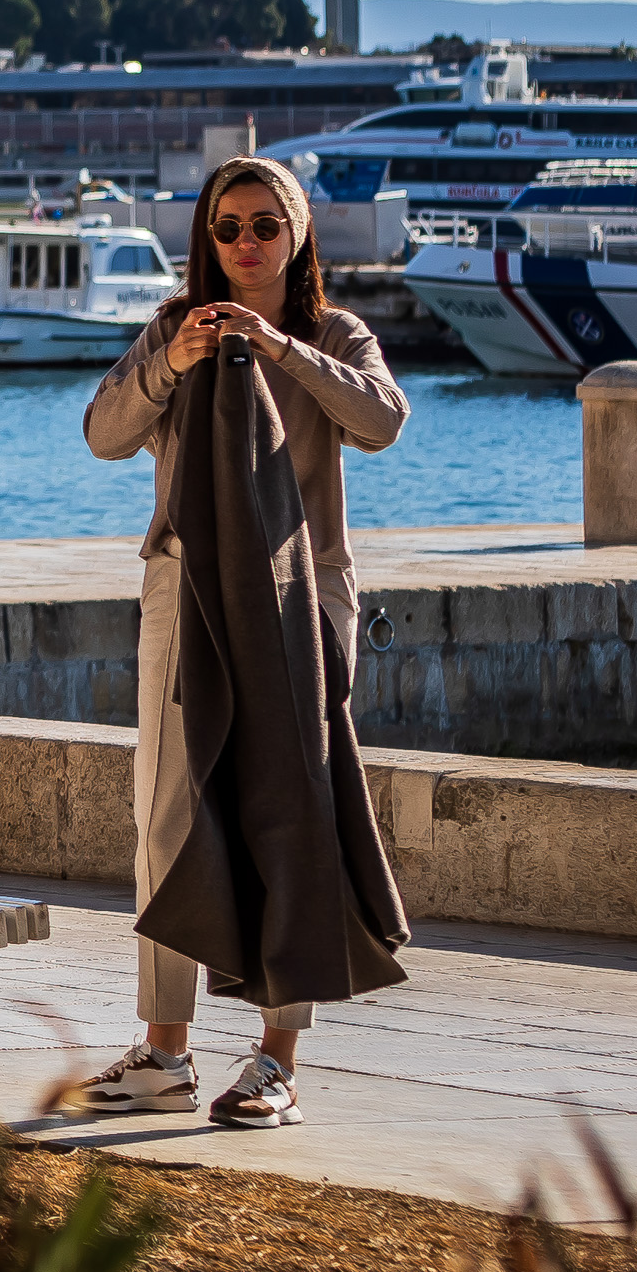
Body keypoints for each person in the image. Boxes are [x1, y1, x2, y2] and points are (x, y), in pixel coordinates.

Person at [78, 154, 409, 1130]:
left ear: (297, 232)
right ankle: (164, 1050)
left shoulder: (334, 333)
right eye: (227, 229)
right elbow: (101, 432)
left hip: (297, 601)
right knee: (167, 818)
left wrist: (278, 350)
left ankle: (275, 1059)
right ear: (206, 239)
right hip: (183, 592)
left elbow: (382, 421)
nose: (245, 245)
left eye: (265, 225)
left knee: (288, 813)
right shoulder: (170, 329)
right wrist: (169, 363)